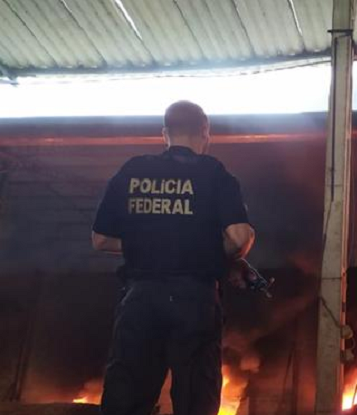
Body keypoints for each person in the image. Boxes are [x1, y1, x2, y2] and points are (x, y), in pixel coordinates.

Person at [92, 101, 256, 415]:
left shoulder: (133, 170)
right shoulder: (214, 173)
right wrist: (199, 247)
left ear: (164, 133)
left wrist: (153, 244)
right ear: (205, 133)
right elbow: (238, 238)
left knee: (126, 398)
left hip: (140, 300)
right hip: (194, 301)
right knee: (195, 399)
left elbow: (100, 240)